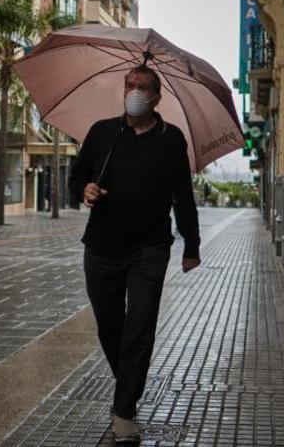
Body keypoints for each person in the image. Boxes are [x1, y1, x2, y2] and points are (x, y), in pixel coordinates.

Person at [68, 65, 201, 444]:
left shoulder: (171, 139)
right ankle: (129, 385)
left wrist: (191, 246)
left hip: (150, 249)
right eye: (130, 85)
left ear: (157, 97)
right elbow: (76, 178)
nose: (135, 92)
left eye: (143, 87)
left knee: (139, 329)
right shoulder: (102, 133)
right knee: (110, 328)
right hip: (101, 249)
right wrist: (85, 191)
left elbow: (183, 197)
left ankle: (123, 411)